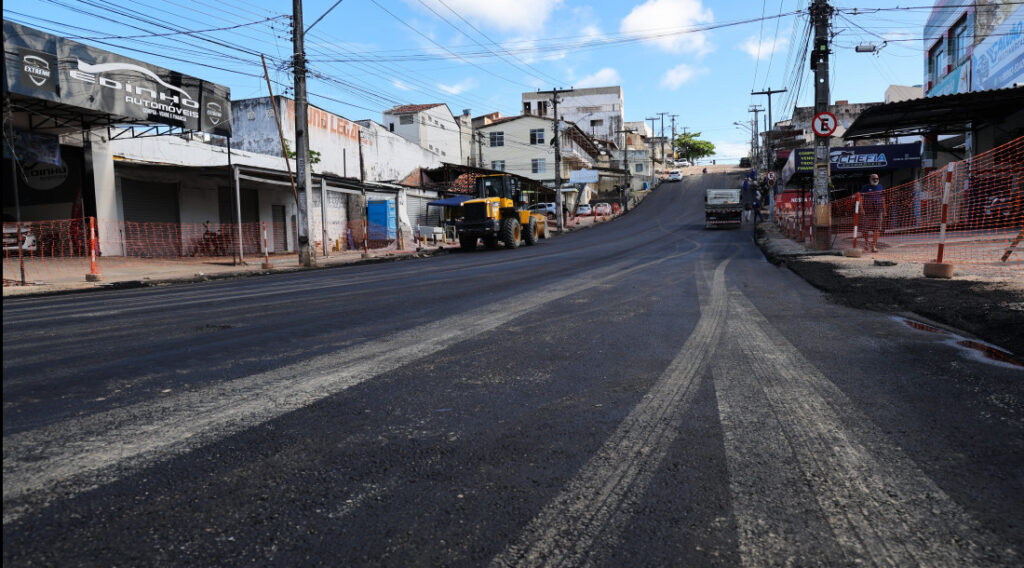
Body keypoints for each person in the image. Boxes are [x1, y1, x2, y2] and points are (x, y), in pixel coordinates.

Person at [860, 173, 885, 252]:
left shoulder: (881, 187)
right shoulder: (865, 188)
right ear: (870, 179)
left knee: (877, 229)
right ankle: (867, 243)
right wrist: (862, 209)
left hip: (878, 211)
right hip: (867, 211)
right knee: (865, 229)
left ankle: (874, 246)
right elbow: (861, 198)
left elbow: (883, 199)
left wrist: (885, 210)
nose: (875, 180)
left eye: (877, 178)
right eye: (874, 179)